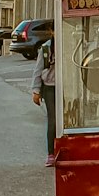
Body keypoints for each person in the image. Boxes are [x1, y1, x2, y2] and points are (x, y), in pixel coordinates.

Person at [31, 35, 56, 165]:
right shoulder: (46, 48)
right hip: (50, 87)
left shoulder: (71, 41)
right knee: (52, 119)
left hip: (67, 87)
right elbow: (38, 69)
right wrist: (36, 90)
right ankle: (50, 153)